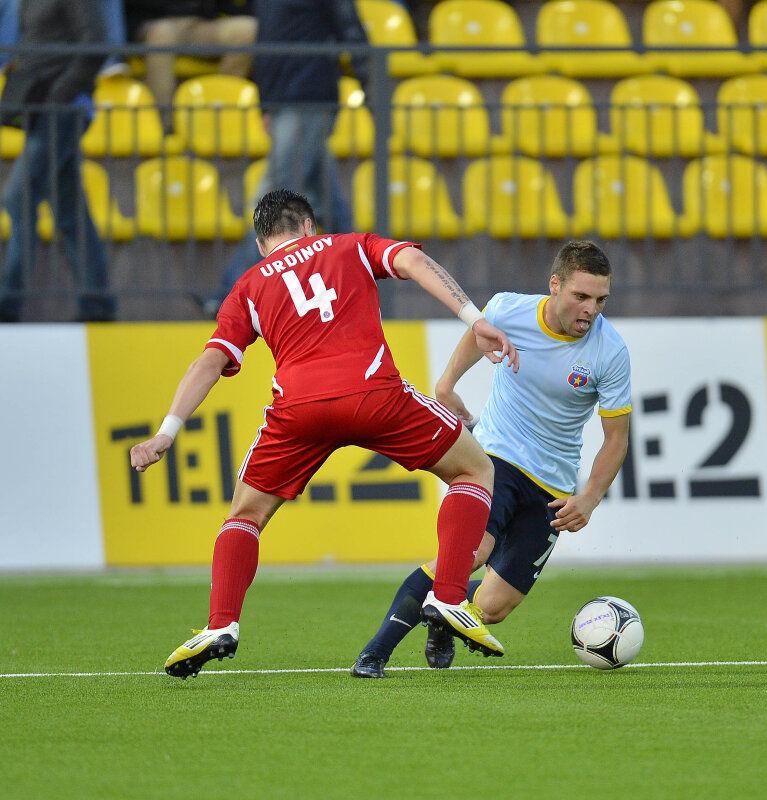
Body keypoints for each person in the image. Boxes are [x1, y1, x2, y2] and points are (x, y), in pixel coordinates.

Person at [129, 188, 520, 679]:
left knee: (245, 514)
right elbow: (415, 262)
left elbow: (211, 360)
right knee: (474, 470)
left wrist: (166, 432)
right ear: (309, 226)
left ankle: (221, 624)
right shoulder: (350, 245)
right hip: (374, 395)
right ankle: (446, 598)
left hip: (300, 411)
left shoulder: (248, 285)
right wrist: (476, 320)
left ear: (260, 243)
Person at [350, 240, 632, 677]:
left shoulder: (610, 352)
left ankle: (444, 617)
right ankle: (374, 653)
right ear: (554, 286)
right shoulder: (508, 310)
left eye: (600, 300)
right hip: (495, 457)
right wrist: (446, 386)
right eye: (581, 296)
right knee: (470, 554)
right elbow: (477, 334)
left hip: (552, 486)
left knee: (494, 607)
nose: (590, 309)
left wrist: (591, 495)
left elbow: (615, 439)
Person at [201, 0, 368, 318]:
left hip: (309, 98)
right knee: (329, 203)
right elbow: (267, 44)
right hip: (288, 101)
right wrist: (267, 102)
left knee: (271, 203)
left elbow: (350, 29)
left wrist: (373, 92)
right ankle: (364, 281)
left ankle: (228, 295)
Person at [0, 0, 116, 322]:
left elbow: (96, 45)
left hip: (63, 109)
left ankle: (8, 303)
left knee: (18, 197)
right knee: (69, 212)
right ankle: (97, 304)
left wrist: (59, 95)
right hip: (43, 109)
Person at [123, 0, 256, 126]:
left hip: (196, 22)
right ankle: (164, 127)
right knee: (161, 34)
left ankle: (212, 117)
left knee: (248, 30)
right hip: (152, 20)